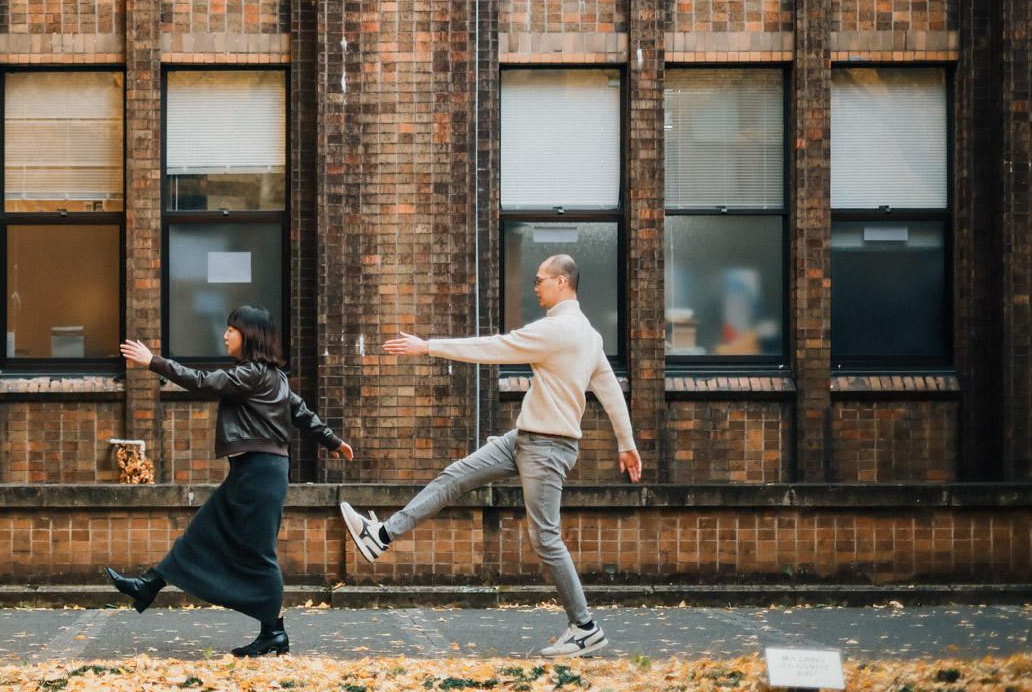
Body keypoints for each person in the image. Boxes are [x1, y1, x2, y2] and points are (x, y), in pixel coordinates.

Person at [338, 254, 639, 658]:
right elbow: (610, 390)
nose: (535, 287)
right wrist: (627, 443)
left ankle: (584, 627)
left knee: (545, 537)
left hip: (548, 448)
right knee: (455, 476)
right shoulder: (588, 334)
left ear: (563, 283)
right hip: (524, 438)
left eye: (540, 280)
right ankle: (382, 536)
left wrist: (428, 346)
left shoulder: (560, 329)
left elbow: (496, 347)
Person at [107, 305, 353, 658]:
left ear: (248, 336)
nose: (225, 335)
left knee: (258, 552)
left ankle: (274, 632)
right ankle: (149, 584)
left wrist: (154, 362)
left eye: (232, 330)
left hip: (261, 472)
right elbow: (301, 413)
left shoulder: (253, 374)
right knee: (204, 530)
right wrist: (332, 441)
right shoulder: (272, 377)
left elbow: (204, 382)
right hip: (250, 471)